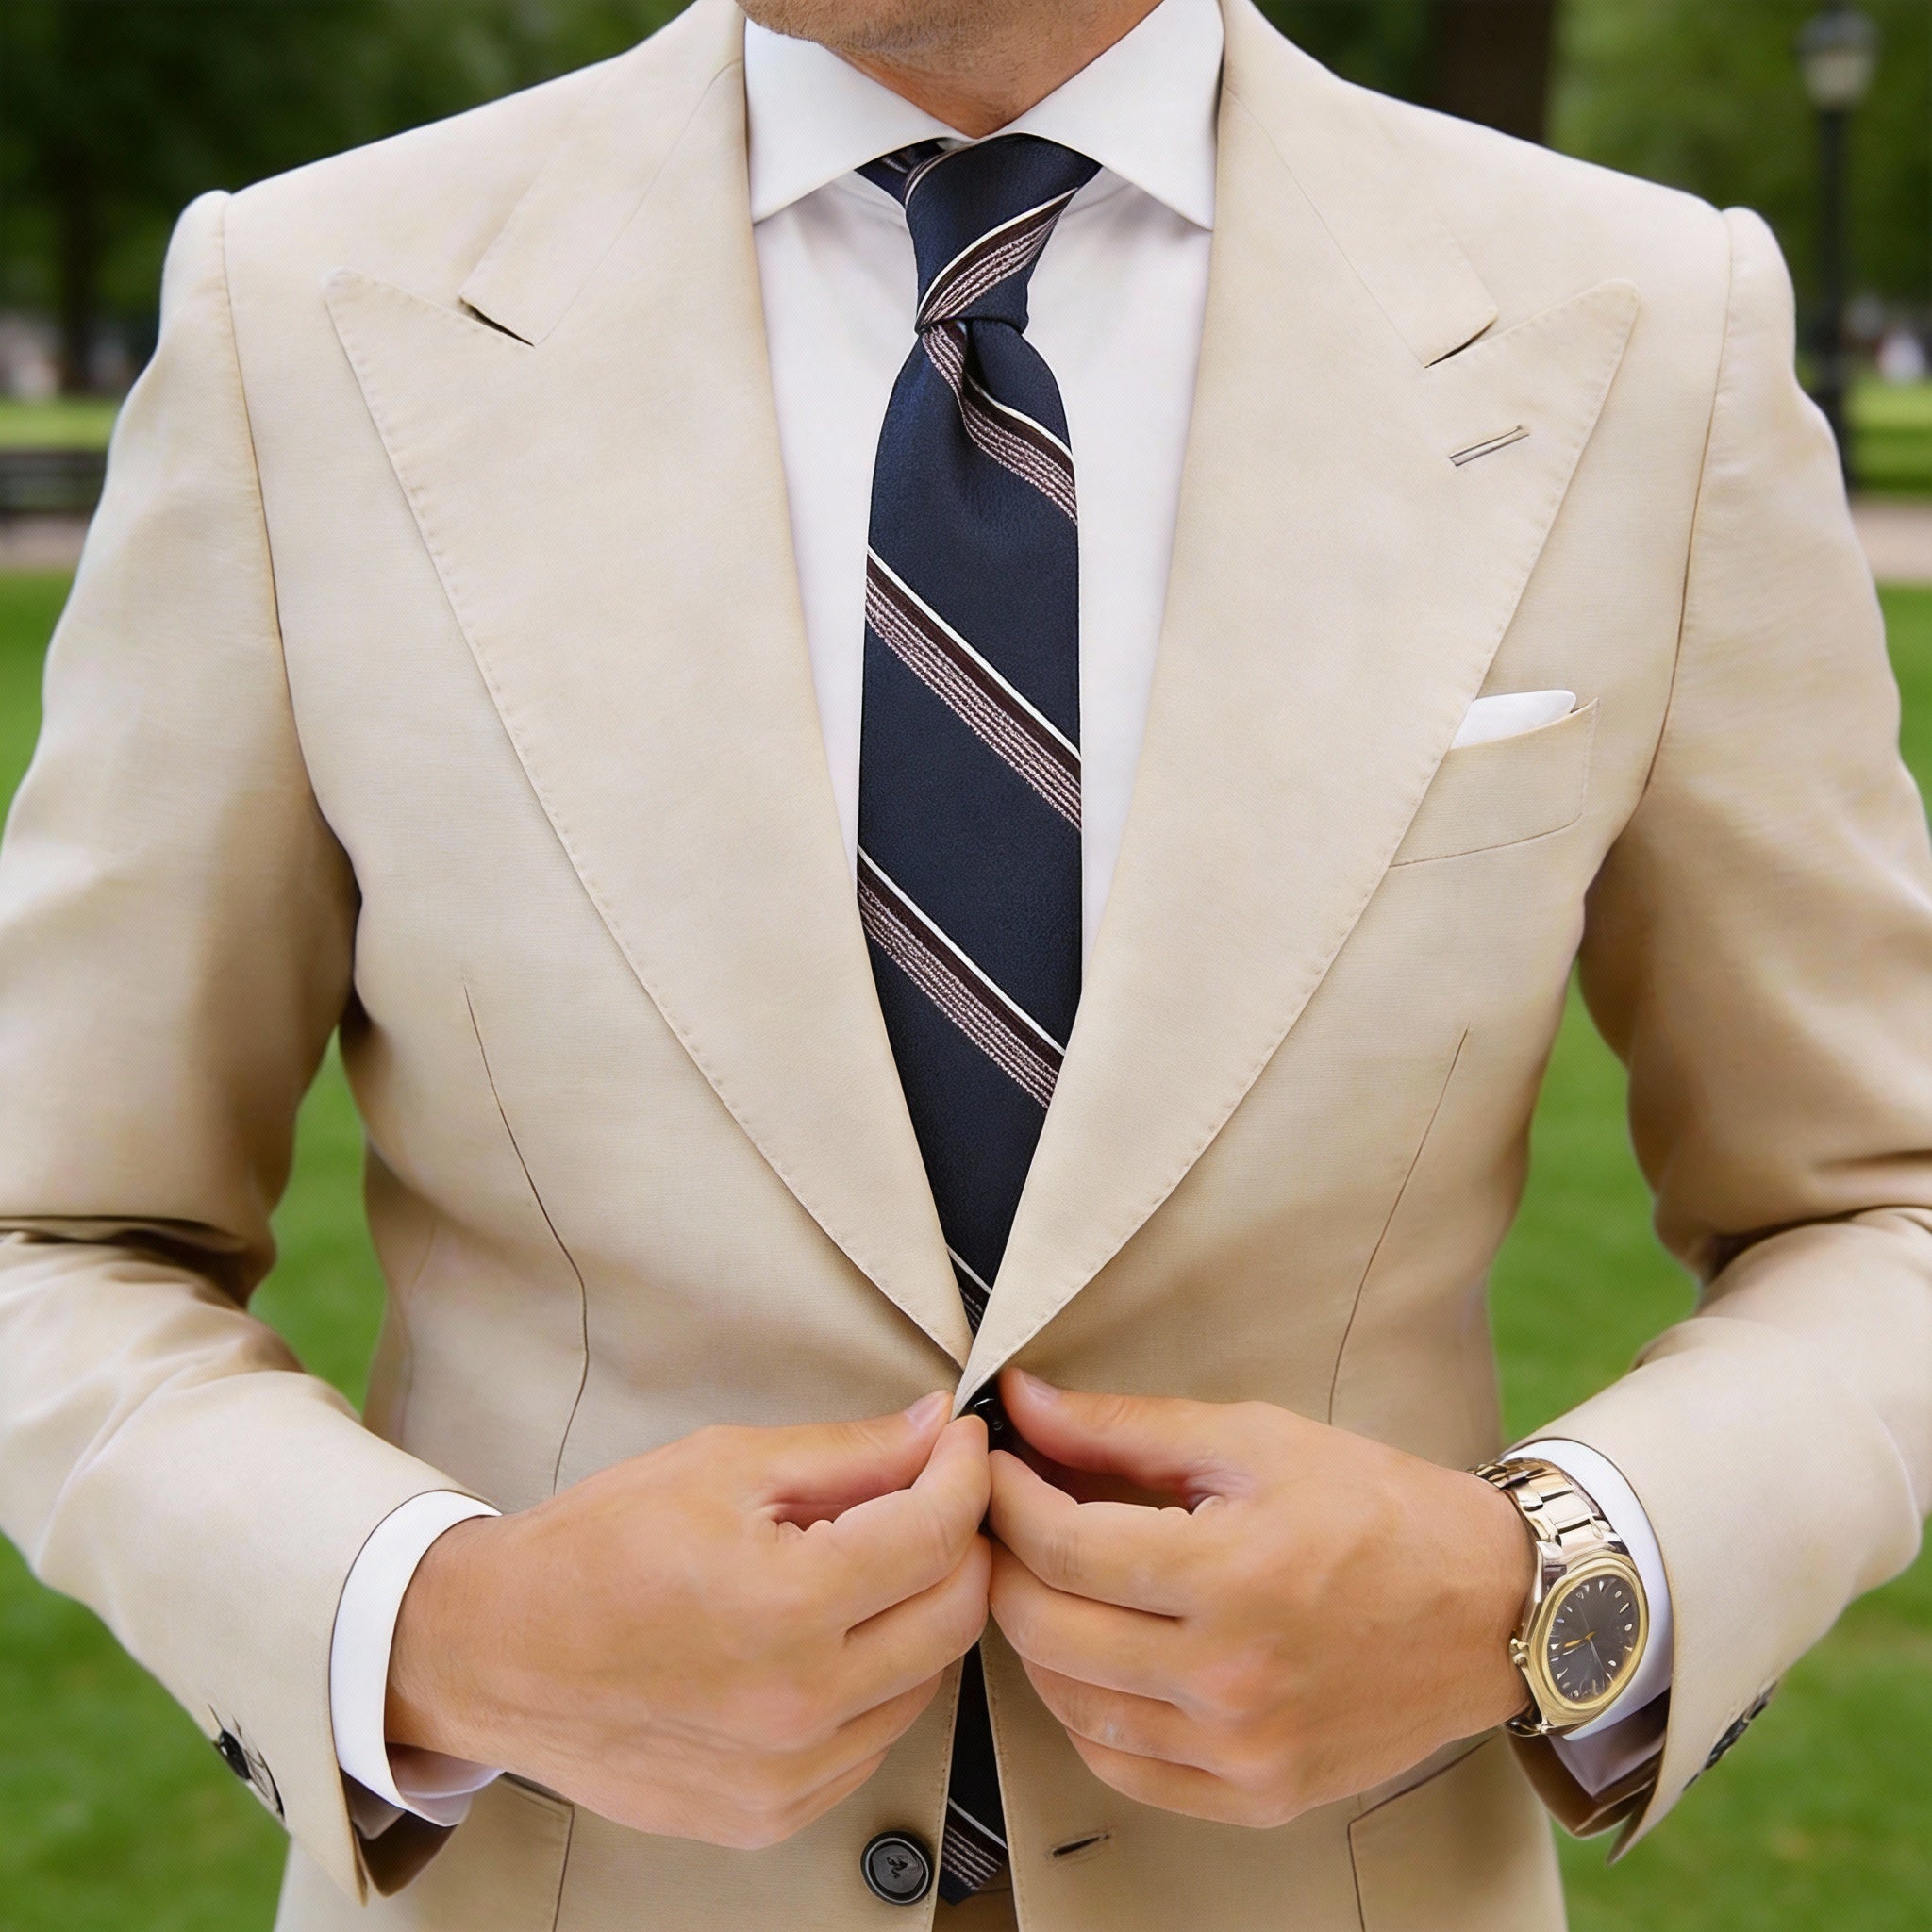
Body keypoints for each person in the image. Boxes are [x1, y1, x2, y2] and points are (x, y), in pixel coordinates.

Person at [1, 0, 1928, 1925]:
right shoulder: (306, 310)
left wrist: (1545, 1590)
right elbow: (53, 1230)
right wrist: (439, 1626)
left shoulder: (1644, 327)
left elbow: (1880, 1203)